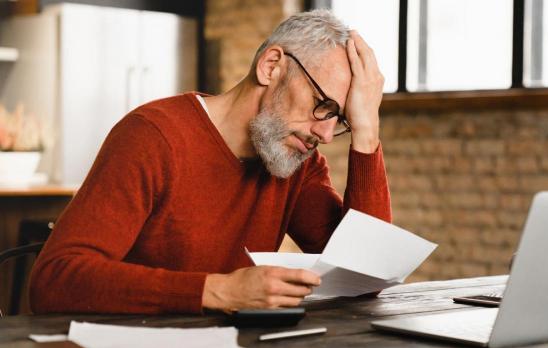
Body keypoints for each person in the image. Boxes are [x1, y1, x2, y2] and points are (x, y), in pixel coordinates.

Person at [29, 9, 391, 314]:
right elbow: (55, 281)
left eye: (340, 119)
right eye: (323, 105)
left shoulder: (297, 162)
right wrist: (218, 291)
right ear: (271, 66)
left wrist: (366, 131)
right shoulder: (152, 136)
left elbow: (362, 277)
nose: (326, 135)